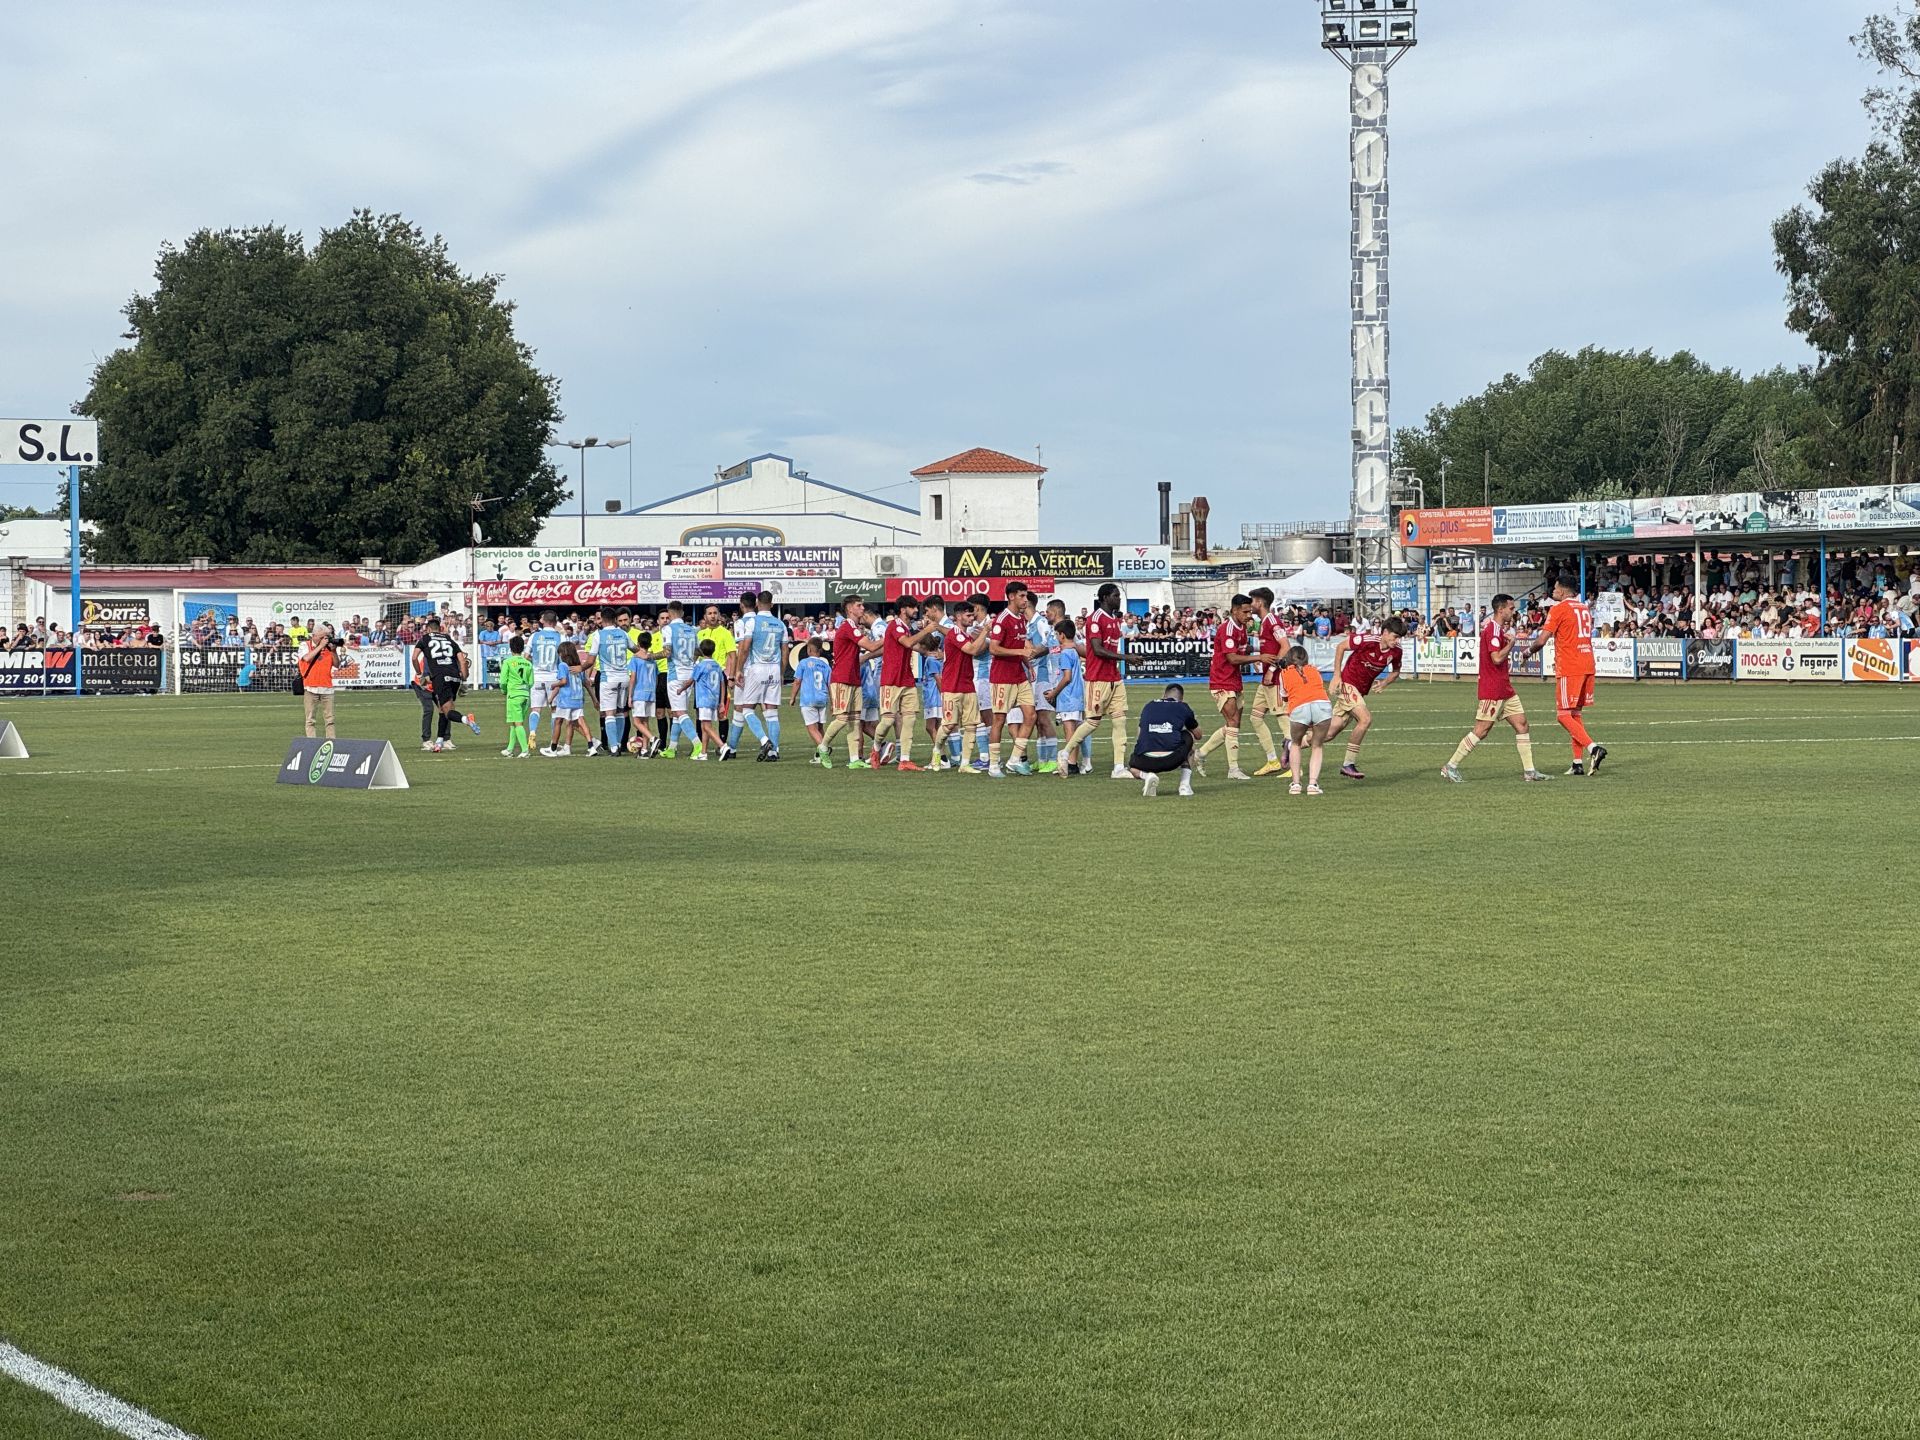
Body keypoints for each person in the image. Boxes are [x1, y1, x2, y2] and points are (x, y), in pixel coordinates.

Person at [1442, 594, 1551, 784]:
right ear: (1500, 609)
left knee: (1522, 725)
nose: (1513, 612)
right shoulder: (1492, 630)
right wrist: (1511, 643)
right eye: (1511, 608)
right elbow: (1497, 658)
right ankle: (1450, 766)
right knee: (1481, 730)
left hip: (1504, 688)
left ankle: (1530, 771)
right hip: (1492, 689)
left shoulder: (1498, 630)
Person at [1523, 576, 1607, 775]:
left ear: (1562, 589)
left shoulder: (1558, 609)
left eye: (1555, 587)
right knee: (1574, 715)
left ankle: (1593, 748)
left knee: (1562, 715)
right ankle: (1577, 764)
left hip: (1570, 665)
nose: (1553, 591)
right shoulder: (1583, 608)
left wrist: (1527, 652)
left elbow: (1542, 640)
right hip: (1587, 663)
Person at [1062, 583, 1132, 779]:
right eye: (1116, 596)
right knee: (1093, 722)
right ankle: (1065, 753)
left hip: (1114, 678)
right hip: (1097, 678)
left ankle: (1118, 767)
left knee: (1120, 720)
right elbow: (1098, 650)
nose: (1119, 599)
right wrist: (1126, 657)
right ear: (1105, 597)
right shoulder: (1095, 619)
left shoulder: (1115, 620)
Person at [1324, 615, 1406, 779]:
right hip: (1347, 684)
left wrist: (1385, 683)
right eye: (1395, 636)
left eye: (1399, 638)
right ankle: (1348, 764)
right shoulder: (1367, 640)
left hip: (1359, 692)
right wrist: (1336, 675)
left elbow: (1396, 671)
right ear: (1385, 632)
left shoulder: (1396, 651)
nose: (1397, 641)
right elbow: (1341, 646)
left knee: (1330, 733)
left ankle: (1293, 744)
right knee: (1365, 719)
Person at [1194, 594, 1259, 781]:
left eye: (1250, 611)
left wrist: (1261, 649)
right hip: (1221, 680)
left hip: (1234, 680)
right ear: (1234, 611)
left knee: (1234, 725)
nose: (1249, 615)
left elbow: (1242, 649)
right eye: (1245, 612)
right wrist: (1259, 658)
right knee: (1232, 722)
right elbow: (1233, 658)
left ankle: (1200, 754)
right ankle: (1233, 769)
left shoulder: (1242, 628)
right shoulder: (1227, 629)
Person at [874, 597, 940, 772]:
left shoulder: (905, 628)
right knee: (888, 720)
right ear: (903, 609)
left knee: (909, 719)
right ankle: (875, 748)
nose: (916, 611)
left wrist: (930, 648)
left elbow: (915, 647)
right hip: (891, 680)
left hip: (907, 679)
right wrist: (926, 630)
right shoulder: (895, 626)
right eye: (913, 608)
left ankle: (904, 759)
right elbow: (908, 643)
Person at [817, 595, 881, 768]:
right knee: (842, 718)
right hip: (842, 678)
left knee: (854, 720)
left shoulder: (853, 627)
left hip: (853, 678)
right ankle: (823, 746)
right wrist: (890, 636)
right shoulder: (848, 627)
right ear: (850, 608)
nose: (862, 608)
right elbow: (871, 647)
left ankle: (854, 759)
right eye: (859, 605)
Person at [987, 581, 1041, 777]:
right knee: (999, 720)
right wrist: (1020, 652)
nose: (1025, 600)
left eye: (1026, 596)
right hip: (1002, 677)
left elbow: (1020, 647)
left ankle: (1014, 759)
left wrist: (1028, 665)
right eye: (1022, 596)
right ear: (1011, 597)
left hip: (1019, 675)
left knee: (1031, 716)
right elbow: (993, 648)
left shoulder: (1021, 619)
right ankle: (993, 765)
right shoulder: (1002, 619)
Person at [930, 595, 989, 773]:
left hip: (967, 684)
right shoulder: (955, 633)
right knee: (949, 725)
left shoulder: (964, 634)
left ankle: (965, 764)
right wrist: (986, 632)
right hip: (952, 685)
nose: (972, 618)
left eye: (972, 615)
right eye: (968, 615)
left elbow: (975, 648)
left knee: (971, 725)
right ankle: (937, 750)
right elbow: (972, 650)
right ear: (958, 616)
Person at [730, 591, 787, 761]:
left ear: (757, 603)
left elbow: (743, 648)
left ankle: (762, 741)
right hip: (774, 669)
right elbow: (785, 652)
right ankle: (773, 751)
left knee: (745, 709)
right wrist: (782, 673)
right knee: (771, 712)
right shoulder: (780, 624)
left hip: (754, 669)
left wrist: (738, 670)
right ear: (772, 604)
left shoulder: (749, 622)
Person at [1245, 586, 1293, 778]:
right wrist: (1257, 654)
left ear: (1259, 602)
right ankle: (1273, 761)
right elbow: (1272, 647)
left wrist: (1272, 669)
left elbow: (1285, 647)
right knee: (1255, 718)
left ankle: (1294, 766)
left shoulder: (1272, 621)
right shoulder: (1264, 622)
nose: (1250, 605)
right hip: (1266, 679)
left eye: (1252, 601)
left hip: (1275, 678)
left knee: (1283, 718)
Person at [414, 615, 478, 753]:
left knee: (444, 711)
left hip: (438, 680)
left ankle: (465, 720)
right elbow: (462, 661)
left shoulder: (426, 642)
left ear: (428, 629)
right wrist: (463, 680)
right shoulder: (449, 641)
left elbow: (415, 659)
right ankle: (436, 741)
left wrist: (421, 676)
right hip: (442, 681)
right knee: (439, 710)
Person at [1128, 682, 1201, 798]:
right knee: (1189, 735)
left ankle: (1147, 776)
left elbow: (1140, 735)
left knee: (1133, 767)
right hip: (1172, 759)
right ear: (1181, 699)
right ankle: (1184, 785)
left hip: (1146, 760)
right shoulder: (1182, 707)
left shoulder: (1149, 705)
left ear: (1164, 695)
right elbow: (1198, 734)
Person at [1277, 645, 1332, 796]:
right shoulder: (1314, 670)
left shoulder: (1284, 673)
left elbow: (1284, 696)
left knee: (1295, 744)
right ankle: (1312, 785)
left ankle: (1296, 784)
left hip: (1299, 707)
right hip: (1322, 705)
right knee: (1317, 746)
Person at [658, 602, 702, 758]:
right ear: (682, 613)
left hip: (675, 675)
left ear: (669, 614)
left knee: (679, 712)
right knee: (678, 712)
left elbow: (667, 652)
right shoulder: (692, 630)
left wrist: (649, 656)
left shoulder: (668, 629)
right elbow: (698, 651)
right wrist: (690, 661)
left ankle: (698, 744)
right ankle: (672, 748)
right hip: (689, 674)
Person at [1045, 617, 1087, 777]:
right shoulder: (1074, 651)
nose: (1056, 637)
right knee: (1073, 729)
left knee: (1070, 730)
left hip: (1068, 697)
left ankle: (1071, 763)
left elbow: (1067, 677)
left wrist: (1054, 693)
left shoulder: (1065, 653)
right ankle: (1073, 763)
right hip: (1076, 695)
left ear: (1061, 635)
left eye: (1057, 635)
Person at [590, 610, 633, 757]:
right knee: (620, 712)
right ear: (615, 619)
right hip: (624, 678)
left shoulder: (598, 635)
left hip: (608, 679)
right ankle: (619, 744)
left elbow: (590, 660)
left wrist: (580, 668)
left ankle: (614, 747)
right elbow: (635, 649)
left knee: (609, 714)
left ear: (602, 620)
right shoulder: (623, 634)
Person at [677, 641, 727, 760]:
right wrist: (721, 702)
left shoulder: (700, 666)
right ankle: (703, 753)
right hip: (714, 699)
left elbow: (691, 680)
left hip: (704, 699)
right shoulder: (717, 665)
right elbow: (722, 684)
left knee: (707, 726)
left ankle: (722, 746)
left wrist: (681, 689)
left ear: (701, 651)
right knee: (704, 726)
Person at [542, 640, 590, 756]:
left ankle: (553, 748)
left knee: (558, 721)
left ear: (563, 654)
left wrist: (554, 685)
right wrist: (594, 699)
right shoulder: (579, 667)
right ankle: (589, 745)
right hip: (578, 699)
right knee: (574, 723)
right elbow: (586, 683)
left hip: (566, 699)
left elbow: (563, 682)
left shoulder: (563, 665)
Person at [525, 610, 563, 748]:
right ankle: (554, 741)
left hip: (537, 676)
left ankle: (532, 732)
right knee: (554, 710)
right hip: (553, 677)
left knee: (535, 709)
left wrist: (535, 662)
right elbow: (563, 659)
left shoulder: (534, 636)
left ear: (543, 621)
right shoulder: (560, 637)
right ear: (555, 622)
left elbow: (526, 656)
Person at [792, 639, 833, 762]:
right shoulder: (826, 666)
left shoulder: (803, 663)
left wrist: (793, 697)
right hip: (822, 699)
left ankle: (824, 749)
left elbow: (797, 681)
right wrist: (833, 702)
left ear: (809, 650)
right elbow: (830, 685)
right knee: (820, 727)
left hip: (808, 699)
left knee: (812, 728)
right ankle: (819, 756)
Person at [296, 623, 339, 739]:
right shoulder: (305, 645)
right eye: (322, 637)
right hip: (311, 687)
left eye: (326, 637)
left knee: (330, 720)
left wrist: (334, 651)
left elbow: (336, 665)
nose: (325, 639)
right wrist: (320, 646)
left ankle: (331, 742)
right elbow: (306, 658)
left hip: (327, 687)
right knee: (310, 720)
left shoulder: (329, 647)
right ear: (314, 636)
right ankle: (311, 743)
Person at [499, 635, 535, 758]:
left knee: (517, 723)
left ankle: (525, 750)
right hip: (525, 695)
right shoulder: (528, 663)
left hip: (514, 695)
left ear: (510, 648)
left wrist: (504, 690)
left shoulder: (508, 662)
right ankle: (510, 749)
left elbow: (503, 681)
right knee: (514, 723)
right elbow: (531, 682)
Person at [624, 632, 658, 756]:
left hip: (639, 693)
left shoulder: (635, 659)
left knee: (636, 722)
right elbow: (656, 677)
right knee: (645, 721)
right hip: (651, 693)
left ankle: (653, 739)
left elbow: (633, 678)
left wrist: (630, 696)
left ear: (638, 644)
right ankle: (644, 749)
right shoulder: (652, 660)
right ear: (650, 644)